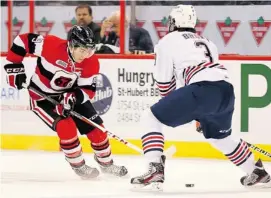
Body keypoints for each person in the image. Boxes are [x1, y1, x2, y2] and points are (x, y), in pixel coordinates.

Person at [130, 5, 270, 189]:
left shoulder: (167, 40)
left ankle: (155, 166)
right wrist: (198, 112)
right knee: (220, 137)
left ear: (173, 22)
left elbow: (164, 83)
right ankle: (256, 171)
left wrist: (175, 106)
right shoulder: (208, 41)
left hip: (202, 90)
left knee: (150, 117)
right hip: (225, 90)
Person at [4, 25, 128, 179]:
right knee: (66, 127)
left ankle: (107, 164)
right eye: (82, 50)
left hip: (70, 96)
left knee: (97, 129)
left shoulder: (91, 61)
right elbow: (22, 41)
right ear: (71, 44)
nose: (86, 54)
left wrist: (73, 97)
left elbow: (88, 90)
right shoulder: (50, 45)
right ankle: (79, 165)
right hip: (43, 99)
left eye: (89, 50)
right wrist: (13, 66)